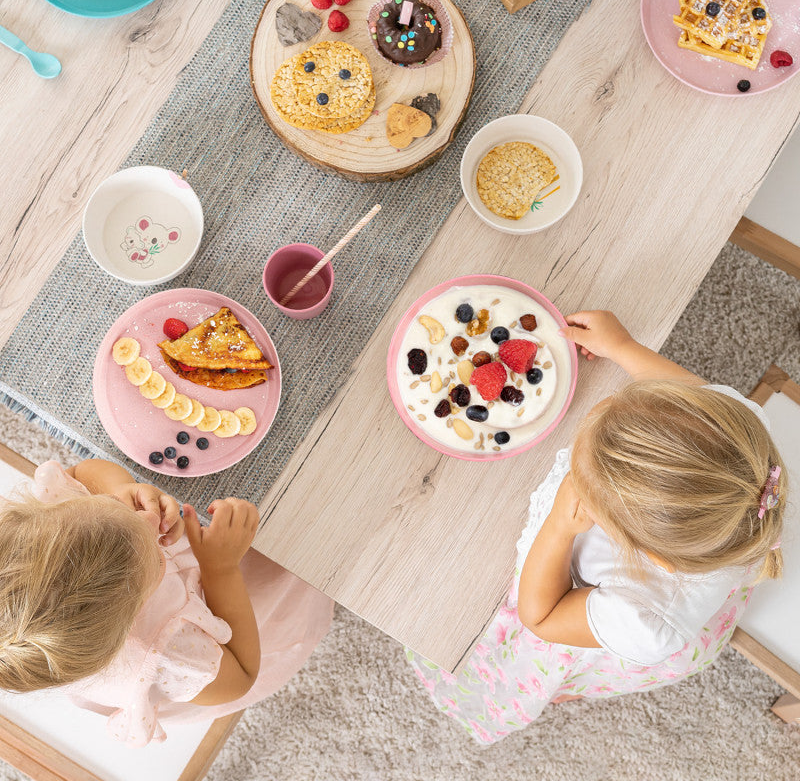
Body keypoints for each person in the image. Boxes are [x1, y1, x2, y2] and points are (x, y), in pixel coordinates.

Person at [407, 310, 786, 744]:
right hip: (703, 559)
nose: (603, 407)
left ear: (634, 544)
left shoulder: (641, 619)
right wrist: (623, 348)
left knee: (545, 659)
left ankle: (570, 682)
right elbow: (691, 399)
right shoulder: (737, 438)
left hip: (594, 620)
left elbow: (543, 617)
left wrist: (558, 530)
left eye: (588, 476)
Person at [0, 458, 333, 746]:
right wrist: (220, 568)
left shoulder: (44, 530)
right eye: (148, 549)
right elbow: (242, 674)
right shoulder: (168, 655)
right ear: (138, 604)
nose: (147, 519)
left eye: (110, 508)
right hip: (226, 619)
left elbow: (80, 473)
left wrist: (121, 490)